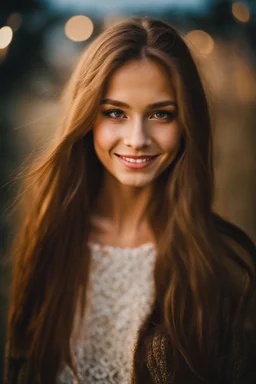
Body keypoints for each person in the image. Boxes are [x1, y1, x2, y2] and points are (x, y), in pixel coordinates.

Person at [4, 15, 256, 384]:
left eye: (160, 114)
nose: (137, 138)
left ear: (187, 122)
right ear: (87, 117)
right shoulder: (52, 233)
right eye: (115, 113)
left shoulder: (223, 264)